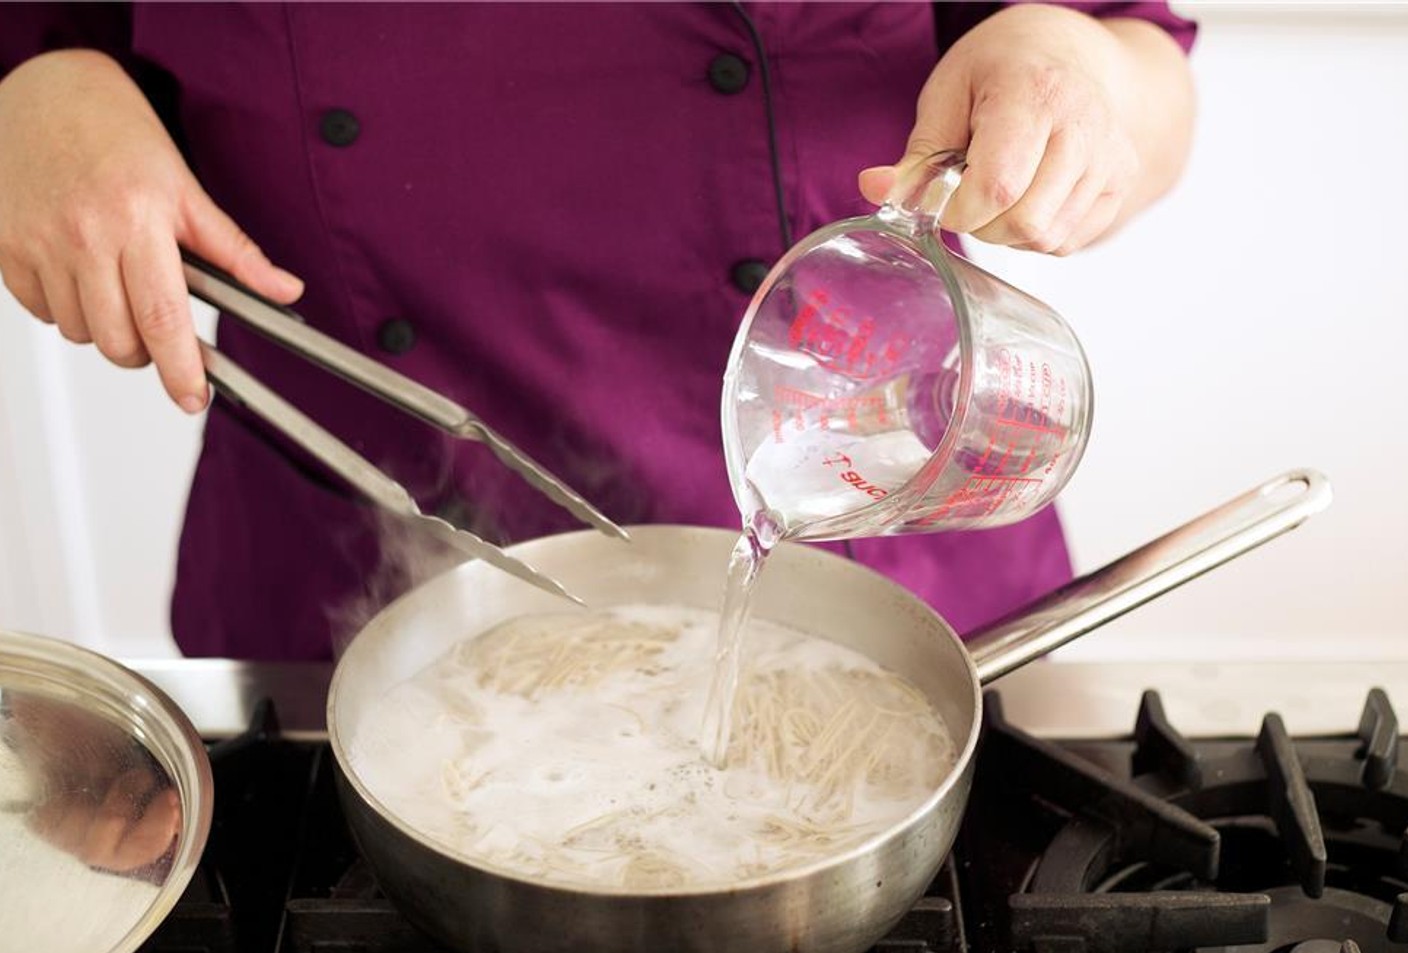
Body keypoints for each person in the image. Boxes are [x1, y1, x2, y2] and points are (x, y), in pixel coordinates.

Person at [0, 3, 1197, 661]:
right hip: (347, 594)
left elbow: (1140, 63)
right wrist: (36, 95)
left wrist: (1087, 69)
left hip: (884, 560)